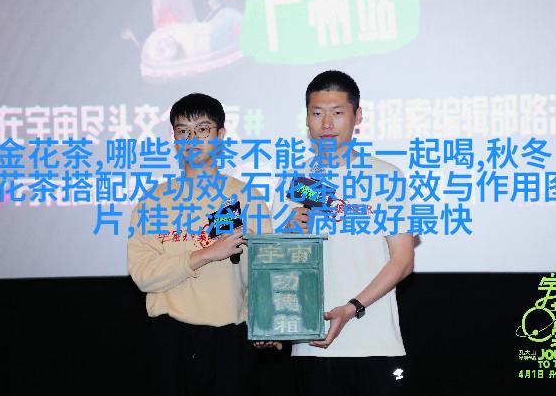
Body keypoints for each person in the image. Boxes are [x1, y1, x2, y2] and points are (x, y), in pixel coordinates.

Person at [271, 70, 415, 396]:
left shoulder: (385, 176)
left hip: (374, 342)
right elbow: (278, 267)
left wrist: (352, 308)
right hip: (312, 343)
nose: (326, 124)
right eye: (317, 113)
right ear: (306, 118)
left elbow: (403, 260)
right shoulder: (291, 182)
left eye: (337, 113)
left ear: (357, 116)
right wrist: (288, 236)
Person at [127, 93, 272, 396]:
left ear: (220, 135)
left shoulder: (245, 197)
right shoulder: (153, 202)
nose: (192, 139)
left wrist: (266, 323)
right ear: (175, 138)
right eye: (183, 131)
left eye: (203, 129)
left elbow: (265, 272)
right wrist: (205, 254)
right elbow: (144, 275)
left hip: (231, 340)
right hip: (172, 338)